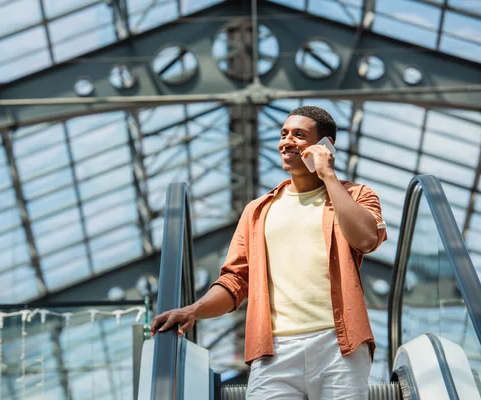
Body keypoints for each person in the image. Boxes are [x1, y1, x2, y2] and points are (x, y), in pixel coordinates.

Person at [150, 105, 387, 399]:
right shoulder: (258, 211)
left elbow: (365, 238)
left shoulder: (356, 196)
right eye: (284, 133)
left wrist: (327, 175)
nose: (287, 141)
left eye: (299, 135)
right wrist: (193, 310)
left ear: (325, 146)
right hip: (273, 352)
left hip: (340, 345)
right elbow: (235, 280)